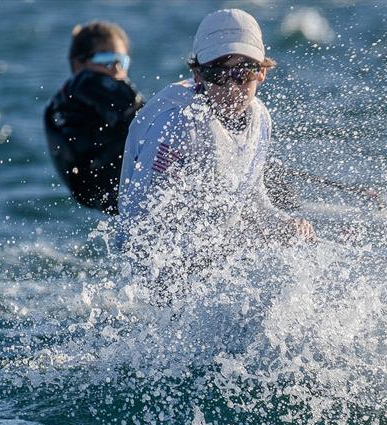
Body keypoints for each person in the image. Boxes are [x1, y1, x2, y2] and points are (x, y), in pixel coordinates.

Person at [116, 9, 314, 267]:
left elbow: (253, 202)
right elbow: (143, 228)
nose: (232, 88)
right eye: (218, 75)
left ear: (261, 72)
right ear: (198, 75)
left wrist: (286, 225)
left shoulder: (261, 118)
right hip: (157, 271)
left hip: (214, 258)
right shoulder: (177, 123)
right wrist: (230, 246)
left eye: (243, 73)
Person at [44, 21, 144, 214]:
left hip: (101, 194)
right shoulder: (86, 82)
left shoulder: (64, 99)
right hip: (115, 183)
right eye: (106, 60)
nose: (115, 68)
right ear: (79, 64)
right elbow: (137, 114)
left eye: (121, 61)